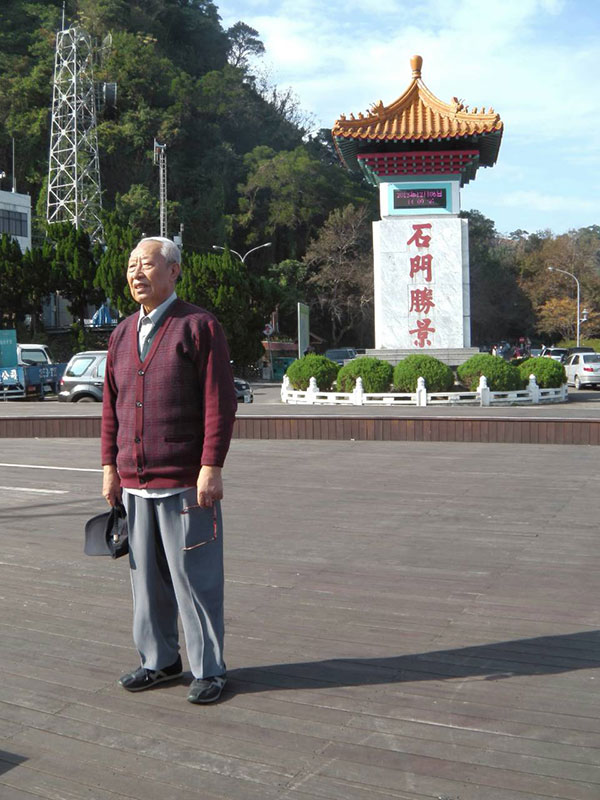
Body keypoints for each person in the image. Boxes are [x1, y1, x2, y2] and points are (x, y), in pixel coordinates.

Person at [101, 236, 238, 704]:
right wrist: (108, 467)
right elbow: (110, 409)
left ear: (174, 271)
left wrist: (211, 465)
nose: (137, 273)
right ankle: (158, 661)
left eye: (148, 265)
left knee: (194, 578)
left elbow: (220, 401)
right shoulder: (120, 334)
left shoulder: (198, 326)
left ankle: (209, 669)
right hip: (134, 483)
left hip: (185, 481)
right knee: (146, 581)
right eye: (131, 265)